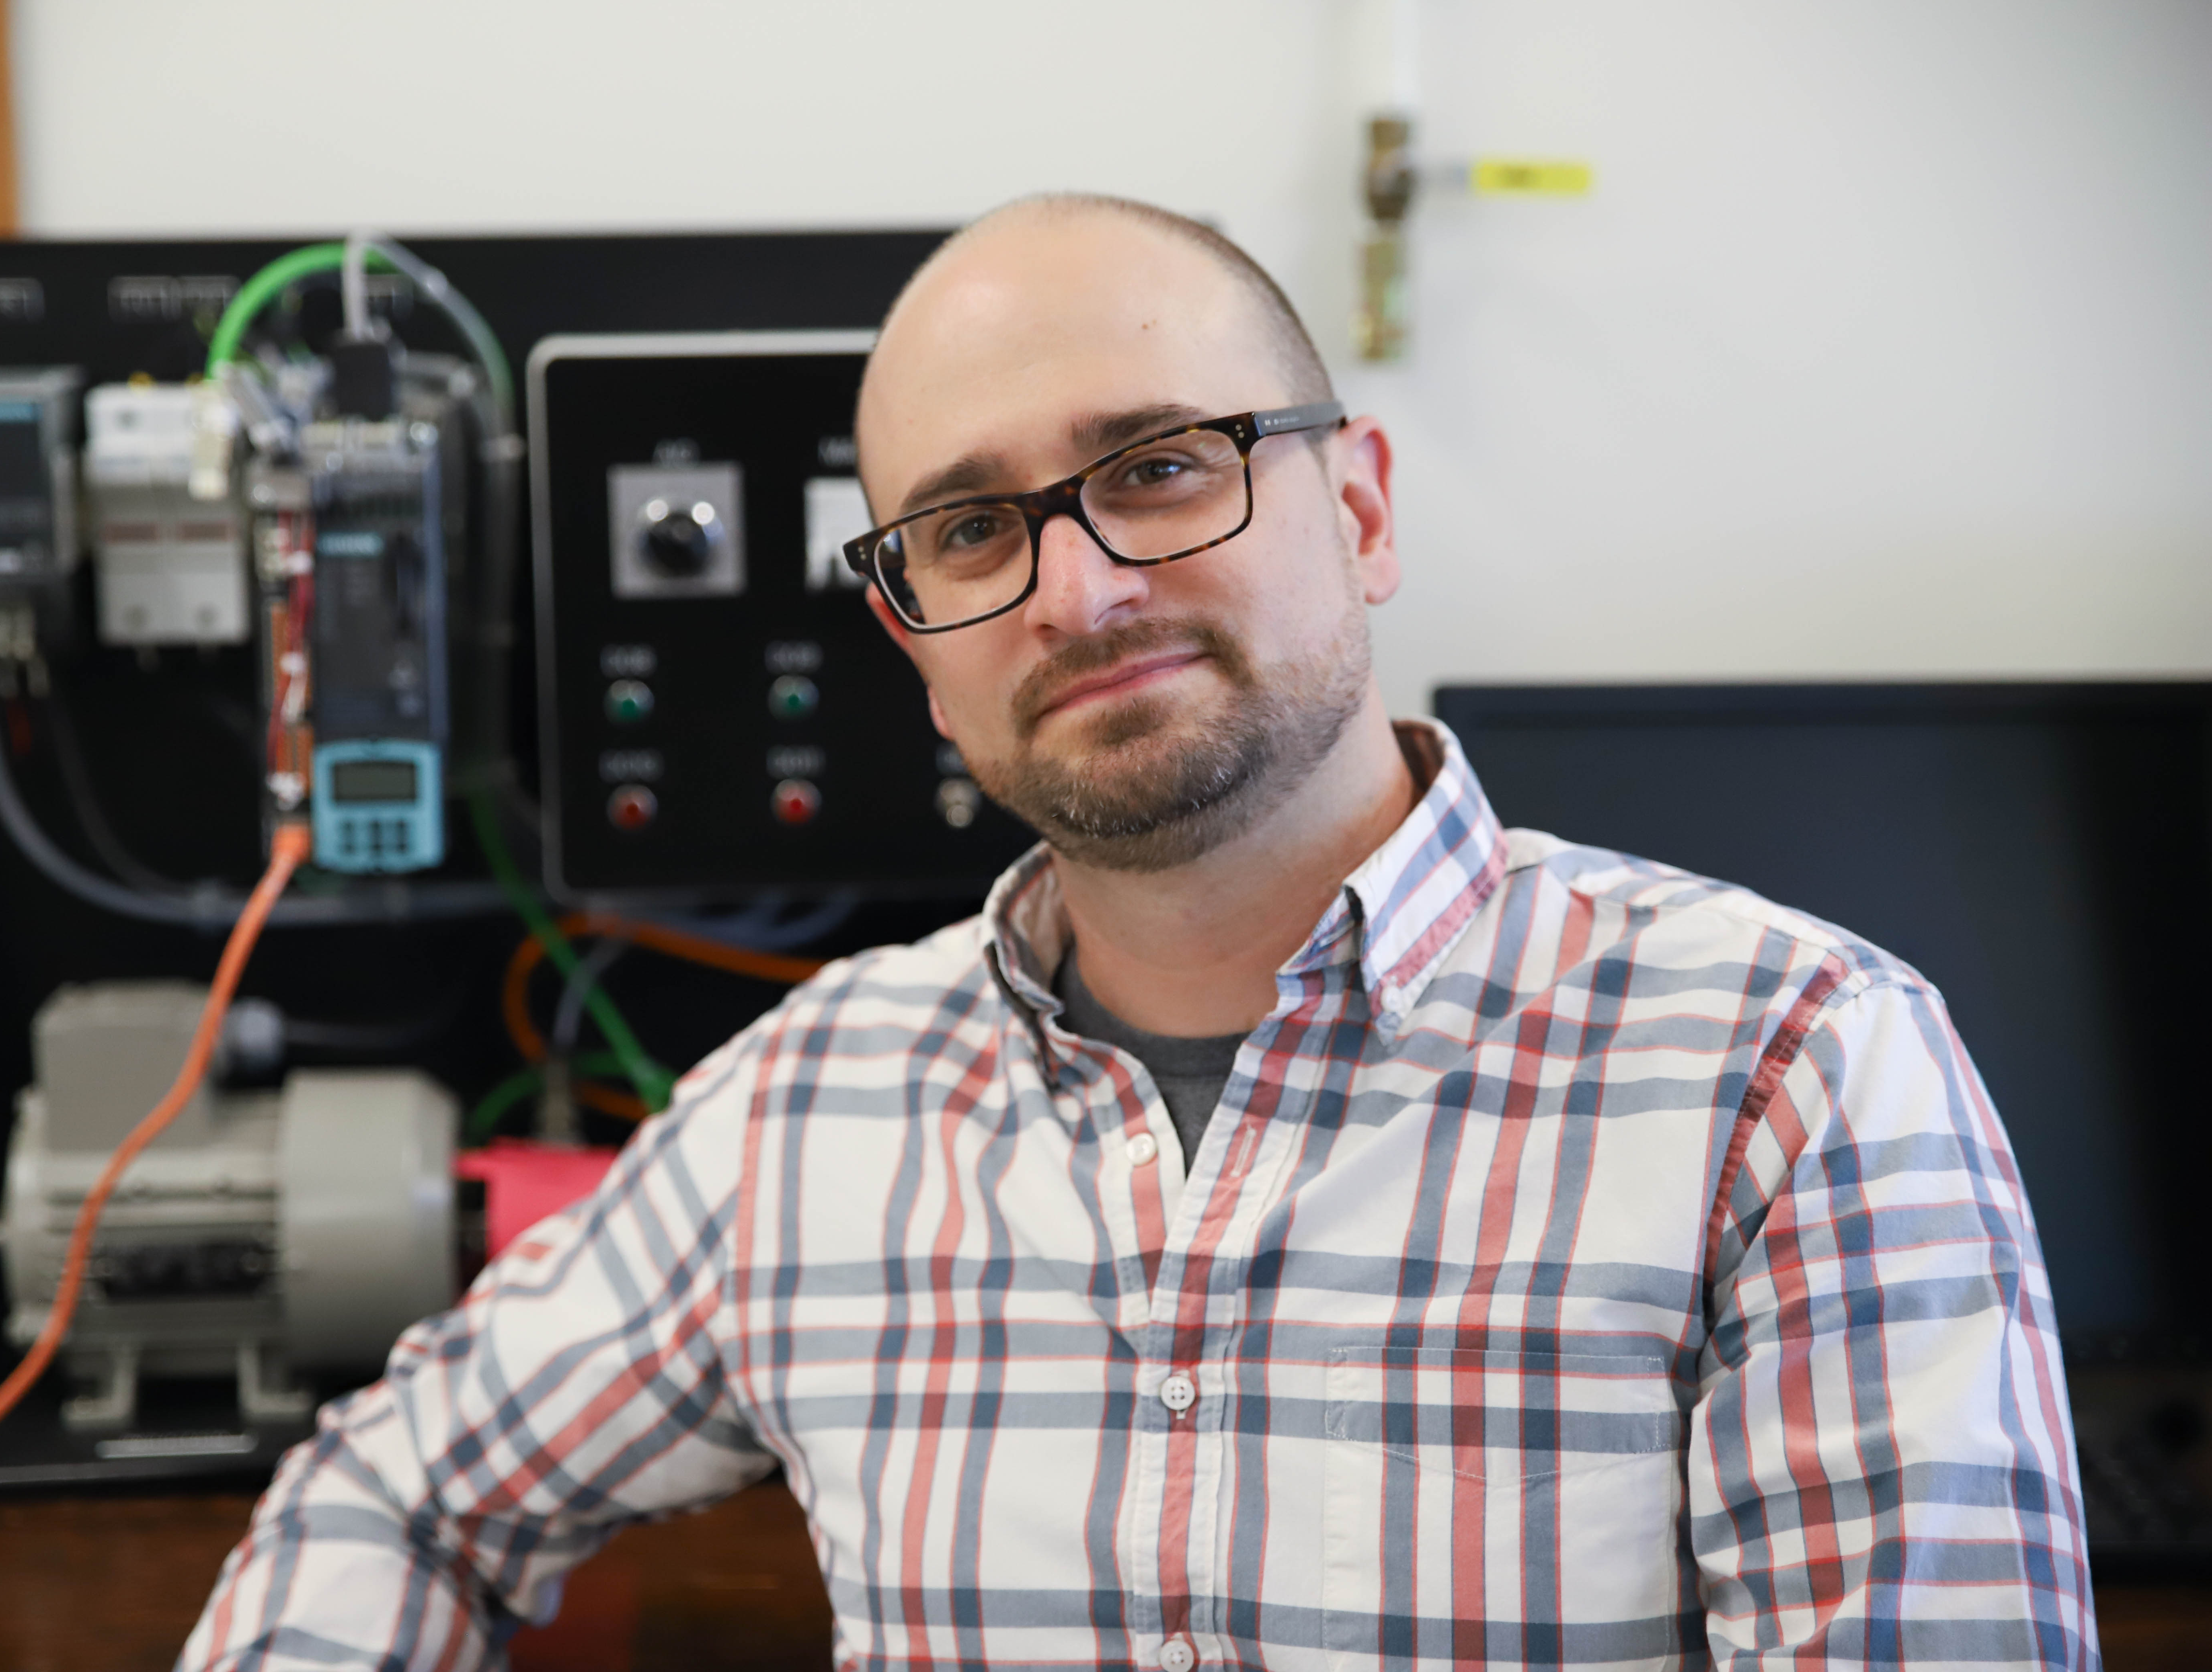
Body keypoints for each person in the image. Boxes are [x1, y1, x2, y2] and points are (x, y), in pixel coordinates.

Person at [181, 195, 2093, 1670]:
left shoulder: (1788, 1069)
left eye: (1160, 466)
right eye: (966, 529)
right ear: (915, 644)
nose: (1076, 591)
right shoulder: (807, 1111)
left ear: (1357, 505)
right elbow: (394, 1492)